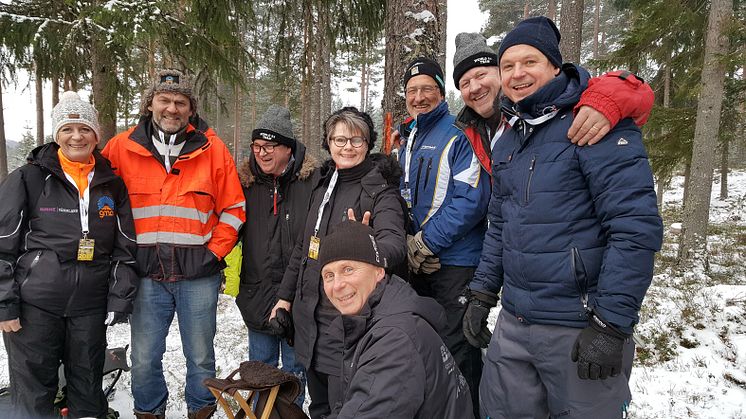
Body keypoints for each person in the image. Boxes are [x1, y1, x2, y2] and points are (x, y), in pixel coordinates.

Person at [465, 17, 663, 418]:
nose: (518, 73)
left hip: (578, 324)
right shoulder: (508, 137)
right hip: (515, 321)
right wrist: (483, 292)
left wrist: (611, 323)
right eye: (508, 66)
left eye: (530, 62)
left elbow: (634, 228)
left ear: (555, 66)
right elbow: (500, 223)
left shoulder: (592, 122)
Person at [102, 69, 246, 419]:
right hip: (146, 273)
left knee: (200, 355)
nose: (172, 108)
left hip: (198, 274)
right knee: (144, 355)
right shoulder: (121, 148)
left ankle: (201, 410)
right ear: (150, 103)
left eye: (180, 102)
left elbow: (234, 208)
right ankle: (149, 411)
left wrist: (213, 254)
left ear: (191, 109)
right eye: (164, 100)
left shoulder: (213, 149)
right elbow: (100, 202)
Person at [0, 91, 139, 418]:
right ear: (56, 135)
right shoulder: (28, 178)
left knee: (87, 387)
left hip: (90, 307)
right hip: (35, 307)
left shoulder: (112, 185)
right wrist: (6, 303)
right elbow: (3, 244)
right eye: (67, 129)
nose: (76, 136)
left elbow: (125, 247)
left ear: (96, 135)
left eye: (84, 129)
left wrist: (119, 299)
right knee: (35, 391)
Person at [272, 107, 406, 419]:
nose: (347, 147)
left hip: (351, 326)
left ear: (368, 143)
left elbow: (395, 246)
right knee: (319, 408)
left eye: (356, 140)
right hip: (312, 325)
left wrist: (365, 244)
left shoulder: (379, 192)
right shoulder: (322, 185)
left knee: (348, 410)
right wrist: (284, 298)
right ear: (328, 143)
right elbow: (304, 249)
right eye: (339, 139)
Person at [397, 57, 490, 418]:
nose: (419, 97)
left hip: (456, 264)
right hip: (418, 264)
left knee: (459, 353)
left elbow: (471, 199)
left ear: (440, 91)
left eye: (426, 89)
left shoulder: (458, 133)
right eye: (411, 91)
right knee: (428, 351)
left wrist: (425, 242)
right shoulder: (410, 137)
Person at [317, 220, 472, 419]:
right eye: (328, 275)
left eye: (348, 269)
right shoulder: (371, 317)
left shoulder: (394, 340)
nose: (337, 285)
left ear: (379, 271)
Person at [451, 31, 655, 175]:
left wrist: (606, 102)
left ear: (500, 74)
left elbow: (632, 90)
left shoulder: (539, 110)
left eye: (481, 75)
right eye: (465, 83)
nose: (475, 87)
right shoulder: (469, 130)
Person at [232, 105, 317, 407]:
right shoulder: (243, 185)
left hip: (300, 298)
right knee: (260, 372)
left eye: (269, 146)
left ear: (288, 148)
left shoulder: (313, 182)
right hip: (257, 296)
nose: (262, 153)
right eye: (257, 146)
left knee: (294, 375)